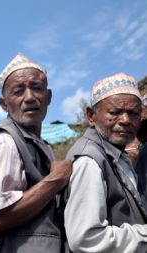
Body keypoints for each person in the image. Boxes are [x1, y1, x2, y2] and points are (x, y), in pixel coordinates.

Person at [0, 53, 72, 253]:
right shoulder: (4, 142)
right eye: (18, 90)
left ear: (48, 97)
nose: (30, 97)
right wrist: (56, 179)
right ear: (4, 104)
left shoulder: (41, 145)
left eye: (37, 88)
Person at [64, 73, 147, 252]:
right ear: (91, 116)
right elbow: (86, 239)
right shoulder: (89, 160)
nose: (125, 120)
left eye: (133, 113)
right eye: (115, 112)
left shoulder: (115, 154)